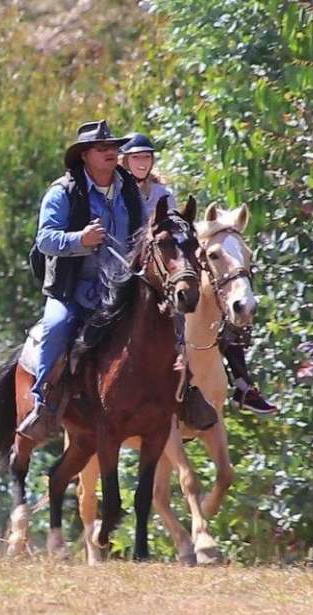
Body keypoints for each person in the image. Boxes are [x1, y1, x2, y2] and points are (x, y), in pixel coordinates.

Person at [17, 121, 216, 442]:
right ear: (85, 156)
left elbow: (142, 235)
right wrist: (80, 239)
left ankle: (187, 392)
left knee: (171, 321)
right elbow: (45, 239)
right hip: (73, 291)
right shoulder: (62, 192)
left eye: (113, 147)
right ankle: (43, 404)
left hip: (122, 288)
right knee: (56, 326)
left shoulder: (127, 189)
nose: (112, 153)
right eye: (102, 148)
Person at [119, 133, 277, 416]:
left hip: (165, 265)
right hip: (130, 267)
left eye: (146, 157)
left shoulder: (163, 194)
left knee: (215, 305)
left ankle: (243, 384)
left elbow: (177, 228)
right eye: (136, 157)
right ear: (126, 161)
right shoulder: (116, 193)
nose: (142, 162)